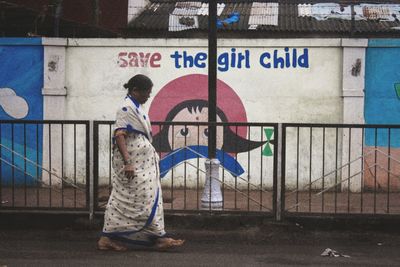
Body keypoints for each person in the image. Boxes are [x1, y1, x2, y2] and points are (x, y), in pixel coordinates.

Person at [97, 74, 184, 251]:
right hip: (133, 164)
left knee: (151, 199)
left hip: (145, 165)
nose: (148, 96)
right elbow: (120, 135)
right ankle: (107, 239)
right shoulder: (125, 109)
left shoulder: (136, 107)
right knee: (124, 201)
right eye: (146, 93)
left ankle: (158, 236)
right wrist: (128, 162)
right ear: (135, 90)